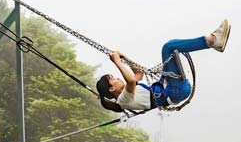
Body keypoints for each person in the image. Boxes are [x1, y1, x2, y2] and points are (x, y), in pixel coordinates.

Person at [95, 20, 231, 112]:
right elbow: (130, 80)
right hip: (175, 92)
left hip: (172, 88)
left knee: (171, 44)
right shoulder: (123, 100)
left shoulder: (129, 92)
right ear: (112, 88)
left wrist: (123, 58)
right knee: (168, 47)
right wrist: (116, 62)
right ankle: (213, 41)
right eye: (113, 79)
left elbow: (138, 74)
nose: (117, 78)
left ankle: (213, 41)